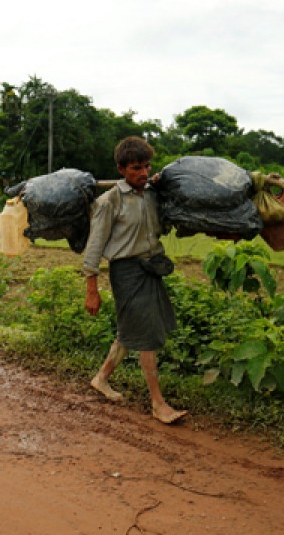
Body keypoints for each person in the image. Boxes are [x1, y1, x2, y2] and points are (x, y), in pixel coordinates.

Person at [83, 136, 188, 425]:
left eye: (146, 167)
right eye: (135, 168)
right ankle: (158, 403)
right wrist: (92, 289)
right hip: (126, 272)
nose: (143, 173)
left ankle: (101, 378)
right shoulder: (110, 201)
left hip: (151, 268)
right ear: (121, 169)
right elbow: (95, 245)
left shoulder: (152, 194)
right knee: (147, 334)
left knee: (132, 329)